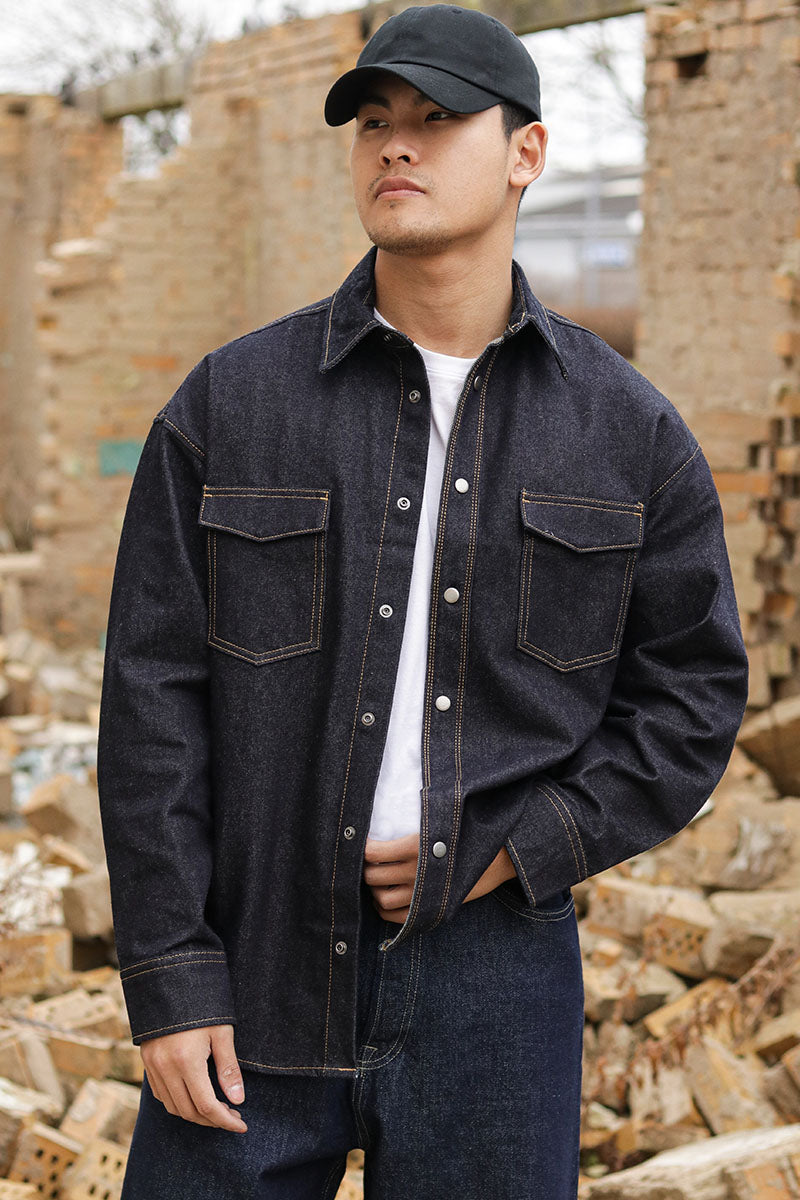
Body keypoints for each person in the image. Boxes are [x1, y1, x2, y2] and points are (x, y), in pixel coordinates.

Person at [97, 5, 750, 1198]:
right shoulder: (229, 406)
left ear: (525, 152)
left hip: (493, 990)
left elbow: (690, 702)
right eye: (373, 122)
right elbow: (151, 708)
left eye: (438, 118)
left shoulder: (627, 435)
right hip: (255, 969)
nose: (395, 144)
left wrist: (523, 846)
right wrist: (172, 975)